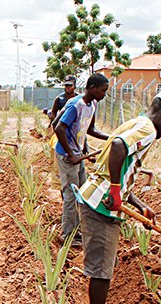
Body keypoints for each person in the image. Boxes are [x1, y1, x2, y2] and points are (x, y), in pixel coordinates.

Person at [75, 88, 161, 304]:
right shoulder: (147, 129)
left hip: (99, 199)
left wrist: (137, 201)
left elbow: (124, 166)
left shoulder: (137, 122)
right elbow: (117, 147)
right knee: (101, 270)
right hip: (101, 204)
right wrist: (114, 191)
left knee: (105, 267)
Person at [53, 73, 110, 247]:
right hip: (66, 155)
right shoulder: (75, 105)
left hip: (78, 154)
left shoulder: (92, 104)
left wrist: (111, 137)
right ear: (92, 88)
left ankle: (77, 227)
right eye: (103, 90)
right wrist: (71, 154)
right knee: (71, 194)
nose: (104, 94)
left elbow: (89, 129)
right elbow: (59, 127)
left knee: (82, 192)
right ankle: (68, 235)